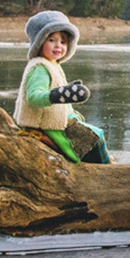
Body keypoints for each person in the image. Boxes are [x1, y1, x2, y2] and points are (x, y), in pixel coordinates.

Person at [13, 10, 111, 164]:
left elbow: (57, 91)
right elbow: (33, 97)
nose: (58, 45)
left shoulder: (52, 64)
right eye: (51, 40)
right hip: (47, 126)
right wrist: (56, 95)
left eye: (63, 41)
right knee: (95, 136)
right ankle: (106, 170)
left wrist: (67, 99)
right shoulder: (39, 68)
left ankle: (98, 164)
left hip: (55, 121)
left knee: (88, 132)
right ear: (39, 42)